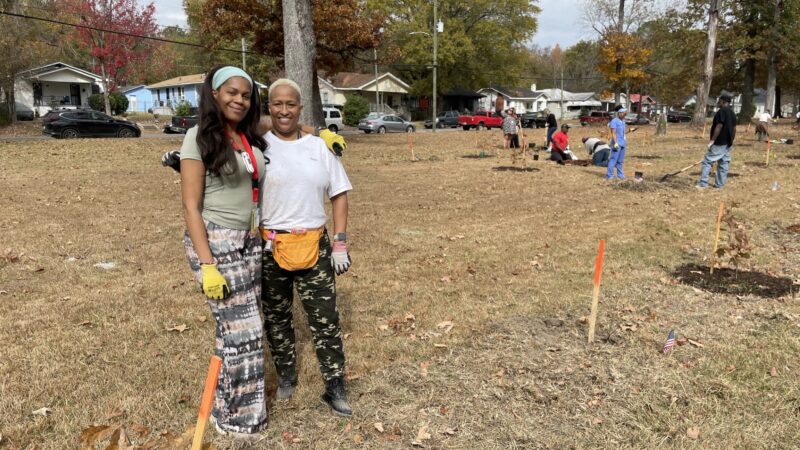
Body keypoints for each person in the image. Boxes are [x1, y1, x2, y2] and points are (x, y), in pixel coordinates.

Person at [180, 66, 268, 439]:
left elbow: (283, 123)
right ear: (214, 93)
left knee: (231, 333)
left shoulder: (246, 134)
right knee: (246, 331)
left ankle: (223, 409)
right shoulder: (197, 137)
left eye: (246, 95)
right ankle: (243, 421)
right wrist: (207, 264)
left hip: (250, 240)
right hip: (217, 241)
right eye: (232, 92)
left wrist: (319, 134)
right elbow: (190, 207)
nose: (239, 100)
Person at [259, 79, 354, 417]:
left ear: (300, 107)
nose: (284, 110)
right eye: (277, 104)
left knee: (326, 318)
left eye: (291, 104)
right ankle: (286, 375)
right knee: (277, 316)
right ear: (269, 107)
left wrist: (340, 243)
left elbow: (339, 194)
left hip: (315, 243)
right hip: (271, 245)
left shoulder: (319, 147)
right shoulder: (258, 146)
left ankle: (335, 384)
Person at [698, 94, 737, 189]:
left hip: (719, 142)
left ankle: (703, 184)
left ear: (723, 101)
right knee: (723, 163)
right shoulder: (732, 113)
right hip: (727, 143)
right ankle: (719, 185)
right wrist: (731, 141)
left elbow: (719, 126)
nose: (718, 102)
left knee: (707, 161)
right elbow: (734, 129)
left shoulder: (721, 111)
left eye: (719, 100)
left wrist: (712, 140)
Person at [607, 105, 628, 180]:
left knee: (620, 161)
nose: (624, 115)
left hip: (623, 143)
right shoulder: (614, 121)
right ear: (618, 113)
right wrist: (615, 143)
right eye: (622, 113)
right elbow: (613, 133)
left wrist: (630, 130)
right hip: (617, 143)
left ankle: (620, 175)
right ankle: (610, 176)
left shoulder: (623, 121)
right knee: (613, 159)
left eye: (624, 113)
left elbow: (623, 133)